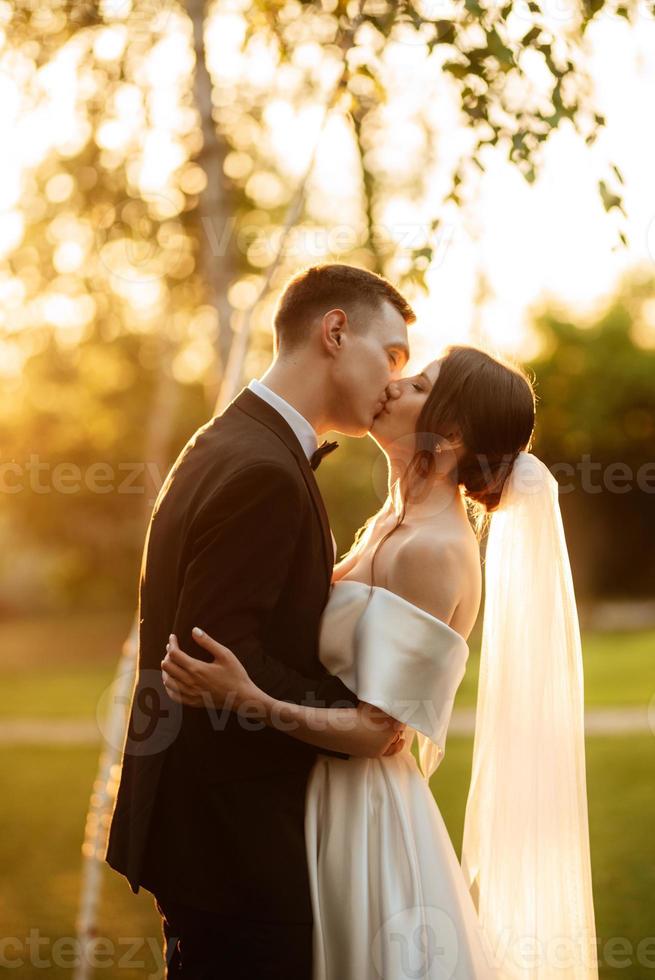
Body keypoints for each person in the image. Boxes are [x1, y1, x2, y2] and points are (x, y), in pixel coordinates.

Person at [163, 345, 599, 979]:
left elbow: (378, 731)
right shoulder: (390, 521)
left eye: (418, 386)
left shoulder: (434, 551)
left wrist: (245, 696)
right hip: (311, 793)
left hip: (360, 818)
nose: (394, 387)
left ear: (448, 436)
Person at [105, 263, 416, 979]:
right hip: (232, 848)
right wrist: (367, 719)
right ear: (334, 332)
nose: (396, 380)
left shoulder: (228, 440)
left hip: (206, 836)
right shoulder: (263, 472)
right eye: (391, 355)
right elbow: (218, 661)